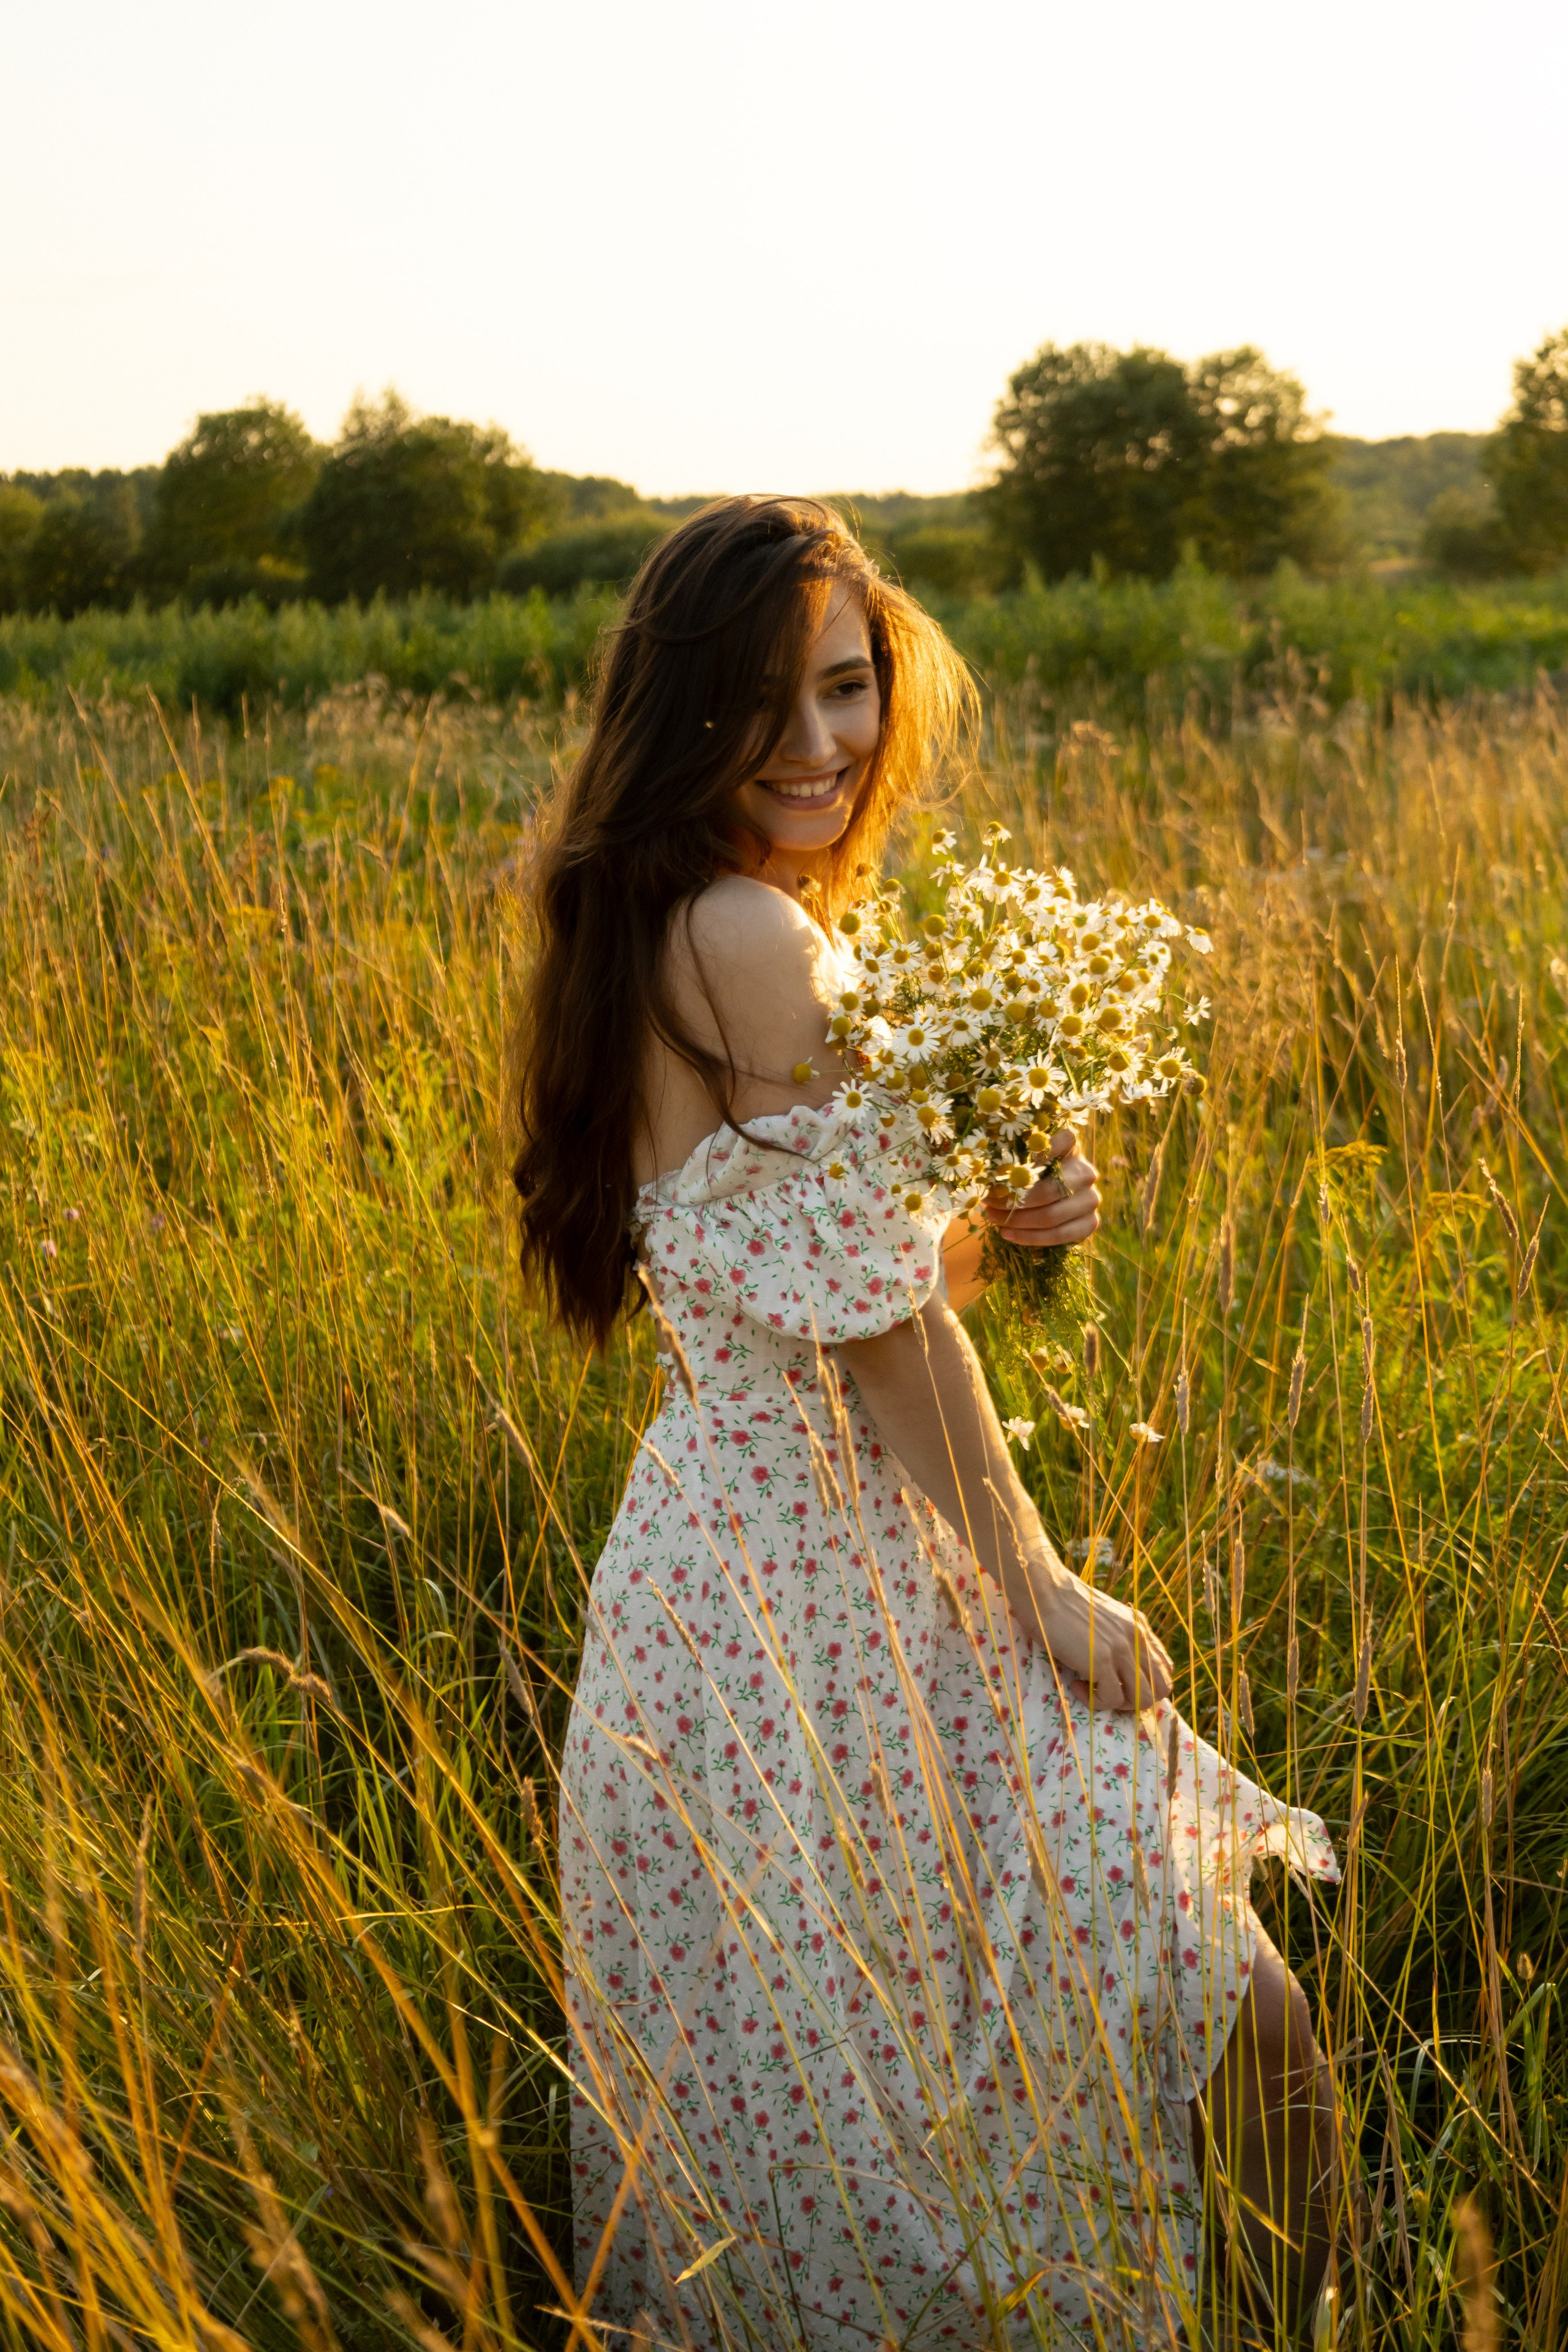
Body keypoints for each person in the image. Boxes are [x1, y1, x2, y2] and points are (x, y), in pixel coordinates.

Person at [512, 498, 1340, 2350]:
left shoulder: (688, 915)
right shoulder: (749, 933)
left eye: (846, 690)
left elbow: (832, 1283)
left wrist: (991, 1226)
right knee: (1230, 2020)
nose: (817, 746)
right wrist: (1042, 1584)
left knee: (882, 2093)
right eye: (760, 705)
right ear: (677, 716)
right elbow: (877, 1328)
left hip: (736, 1581)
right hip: (837, 1591)